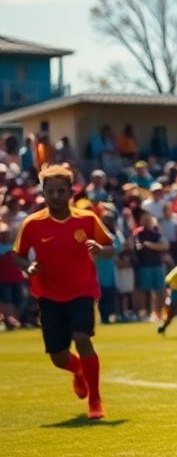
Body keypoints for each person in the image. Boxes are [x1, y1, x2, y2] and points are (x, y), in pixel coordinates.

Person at [11, 166, 115, 419]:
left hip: (82, 291)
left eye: (61, 191)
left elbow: (111, 247)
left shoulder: (87, 219)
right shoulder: (32, 224)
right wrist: (29, 266)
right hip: (48, 295)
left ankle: (95, 399)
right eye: (51, 192)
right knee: (58, 357)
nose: (56, 196)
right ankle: (79, 371)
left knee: (82, 338)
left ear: (71, 192)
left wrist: (100, 249)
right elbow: (17, 255)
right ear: (43, 193)